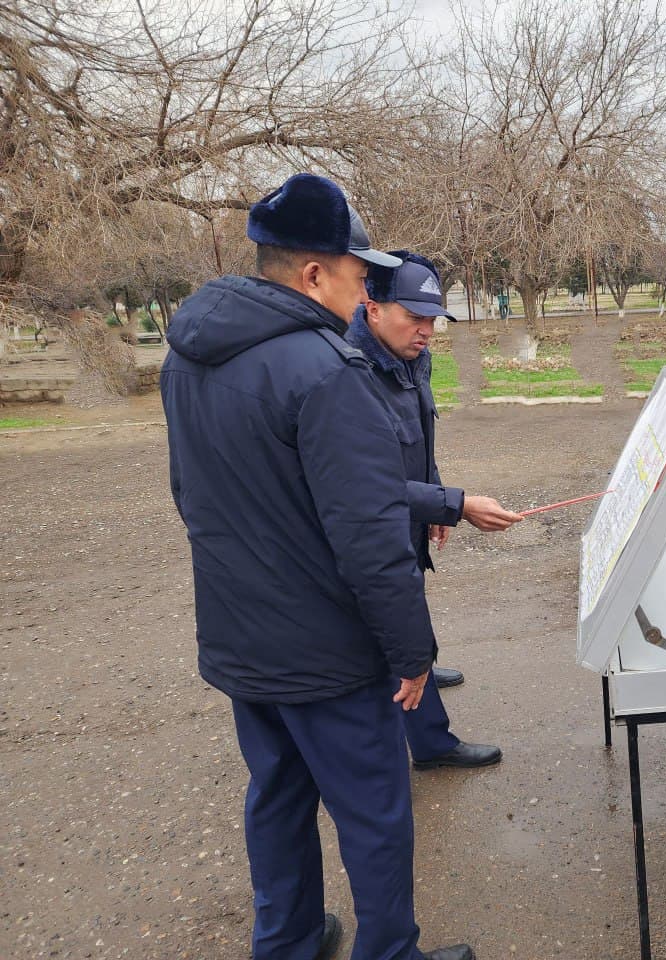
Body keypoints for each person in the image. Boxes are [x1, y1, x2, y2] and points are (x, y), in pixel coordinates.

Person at [161, 173, 474, 960]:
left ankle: (290, 941)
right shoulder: (328, 372)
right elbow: (369, 536)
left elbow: (192, 495)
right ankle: (390, 952)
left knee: (277, 797)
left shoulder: (187, 357)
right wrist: (411, 654)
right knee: (374, 810)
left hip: (240, 637)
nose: (364, 286)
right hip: (326, 654)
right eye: (358, 272)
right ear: (313, 273)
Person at [347, 250, 523, 770]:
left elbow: (416, 438)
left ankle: (418, 661)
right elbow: (368, 486)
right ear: (372, 306)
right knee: (388, 617)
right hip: (374, 527)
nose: (425, 331)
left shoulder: (406, 356)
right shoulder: (352, 376)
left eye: (432, 319)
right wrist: (458, 506)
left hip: (412, 512)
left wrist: (437, 499)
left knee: (410, 597)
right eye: (413, 317)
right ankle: (430, 741)